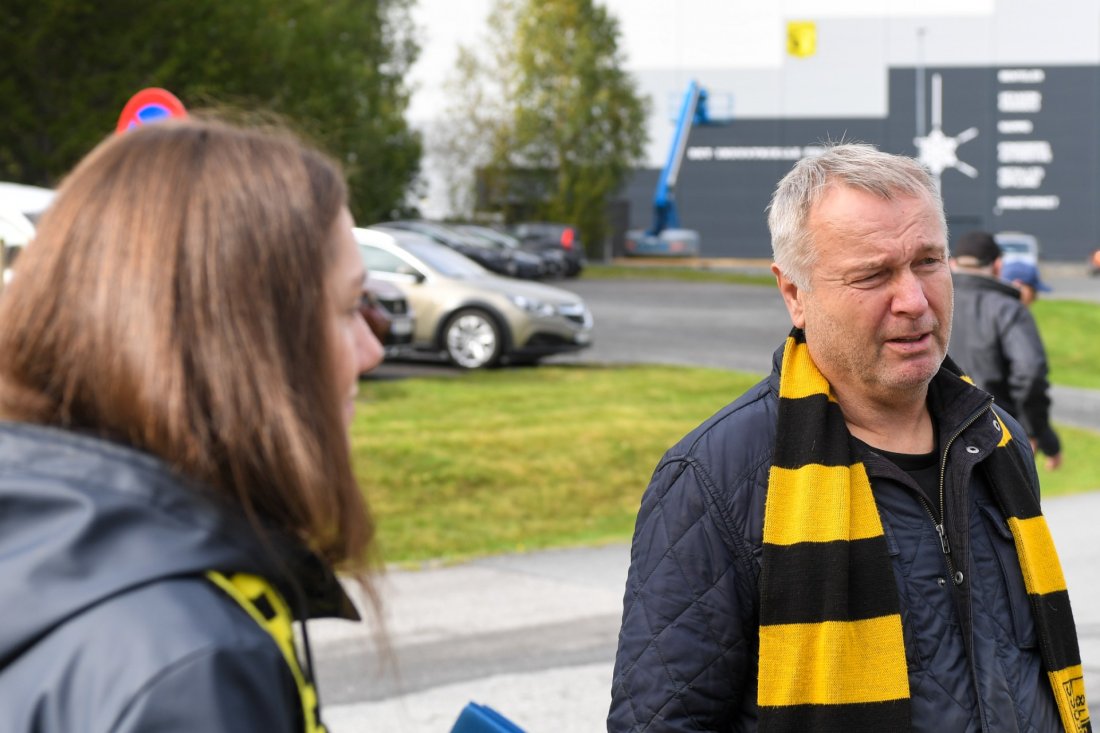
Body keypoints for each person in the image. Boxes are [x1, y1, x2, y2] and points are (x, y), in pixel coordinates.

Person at [608, 144, 1090, 732]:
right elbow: (661, 723)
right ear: (794, 295)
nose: (914, 301)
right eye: (873, 274)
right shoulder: (715, 478)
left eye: (929, 262)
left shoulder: (996, 441)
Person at [0, 119, 384, 731]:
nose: (372, 350)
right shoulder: (193, 667)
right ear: (239, 344)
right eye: (347, 309)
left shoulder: (44, 545)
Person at [949, 231, 1062, 470]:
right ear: (998, 266)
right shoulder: (1008, 310)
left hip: (933, 441)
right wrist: (1032, 431)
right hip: (996, 440)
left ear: (952, 263)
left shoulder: (928, 302)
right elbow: (1029, 372)